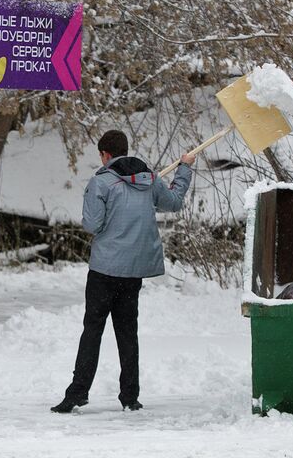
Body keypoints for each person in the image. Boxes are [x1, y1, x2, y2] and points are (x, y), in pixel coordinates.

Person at [51, 130, 195, 413]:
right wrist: (184, 168)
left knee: (92, 330)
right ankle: (130, 396)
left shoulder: (101, 182)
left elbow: (92, 224)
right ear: (125, 151)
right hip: (133, 272)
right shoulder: (149, 179)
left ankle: (77, 393)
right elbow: (175, 202)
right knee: (128, 332)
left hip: (105, 270)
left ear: (105, 155)